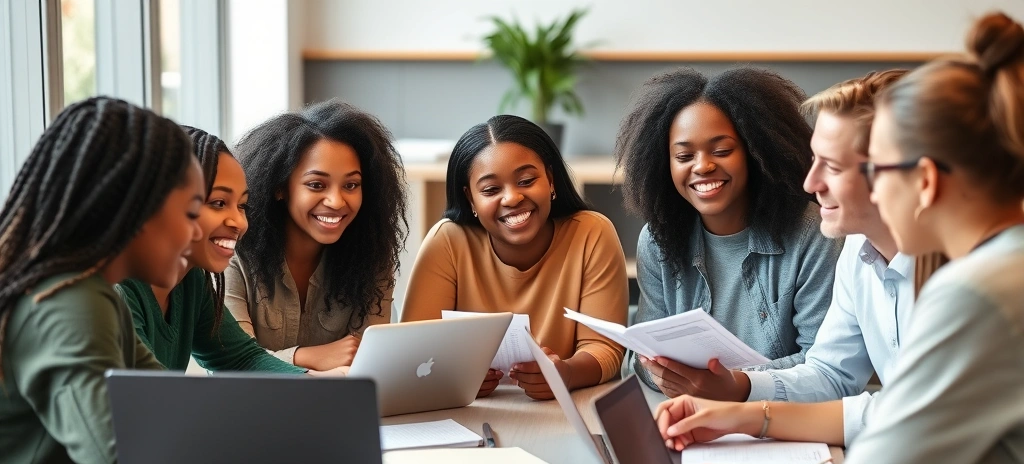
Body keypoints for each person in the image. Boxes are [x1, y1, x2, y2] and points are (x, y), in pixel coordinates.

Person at [656, 13, 1024, 464]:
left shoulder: (977, 293)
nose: (809, 185)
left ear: (921, 181)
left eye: (838, 167)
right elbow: (885, 410)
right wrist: (742, 413)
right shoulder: (981, 268)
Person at [0, 98, 203, 464]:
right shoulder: (68, 302)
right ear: (137, 210)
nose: (196, 234)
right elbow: (121, 463)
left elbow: (177, 403)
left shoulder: (93, 294)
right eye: (191, 212)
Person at [615, 67, 843, 400]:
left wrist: (729, 384)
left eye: (721, 151)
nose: (702, 166)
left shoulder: (813, 235)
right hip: (689, 417)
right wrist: (666, 375)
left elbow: (823, 366)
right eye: (684, 156)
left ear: (756, 152)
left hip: (787, 424)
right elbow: (644, 355)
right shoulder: (657, 239)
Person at [400, 115, 628, 400]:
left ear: (551, 179)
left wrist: (565, 373)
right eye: (491, 190)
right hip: (467, 415)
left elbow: (605, 350)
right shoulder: (447, 242)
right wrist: (454, 374)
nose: (511, 198)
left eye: (526, 180)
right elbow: (412, 352)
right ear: (470, 199)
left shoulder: (591, 233)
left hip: (562, 412)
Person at [225, 99, 408, 372]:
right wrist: (303, 357)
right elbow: (230, 365)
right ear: (280, 187)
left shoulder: (372, 258)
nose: (336, 201)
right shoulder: (232, 255)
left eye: (351, 185)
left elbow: (369, 363)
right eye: (316, 184)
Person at [116, 127, 305, 374]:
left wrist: (323, 385)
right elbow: (150, 398)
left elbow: (241, 359)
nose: (239, 222)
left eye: (241, 206)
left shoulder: (189, 279)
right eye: (218, 203)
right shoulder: (115, 290)